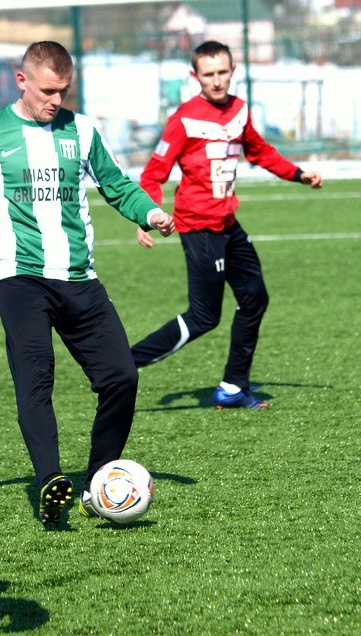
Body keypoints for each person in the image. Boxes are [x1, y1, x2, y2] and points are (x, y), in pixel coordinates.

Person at [0, 41, 174, 525]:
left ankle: (99, 479)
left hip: (80, 278)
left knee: (121, 375)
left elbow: (116, 185)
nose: (55, 100)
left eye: (63, 91)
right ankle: (50, 480)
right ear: (22, 81)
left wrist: (151, 212)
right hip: (19, 279)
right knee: (36, 380)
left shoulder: (82, 131)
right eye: (47, 90)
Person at [132, 40, 323, 409]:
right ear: (195, 76)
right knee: (204, 317)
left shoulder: (239, 109)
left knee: (255, 298)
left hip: (228, 225)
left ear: (232, 71)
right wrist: (147, 215)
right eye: (208, 74)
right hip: (198, 228)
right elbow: (153, 174)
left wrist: (297, 174)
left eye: (223, 72)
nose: (217, 81)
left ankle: (233, 387)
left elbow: (259, 150)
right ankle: (125, 363)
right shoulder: (183, 119)